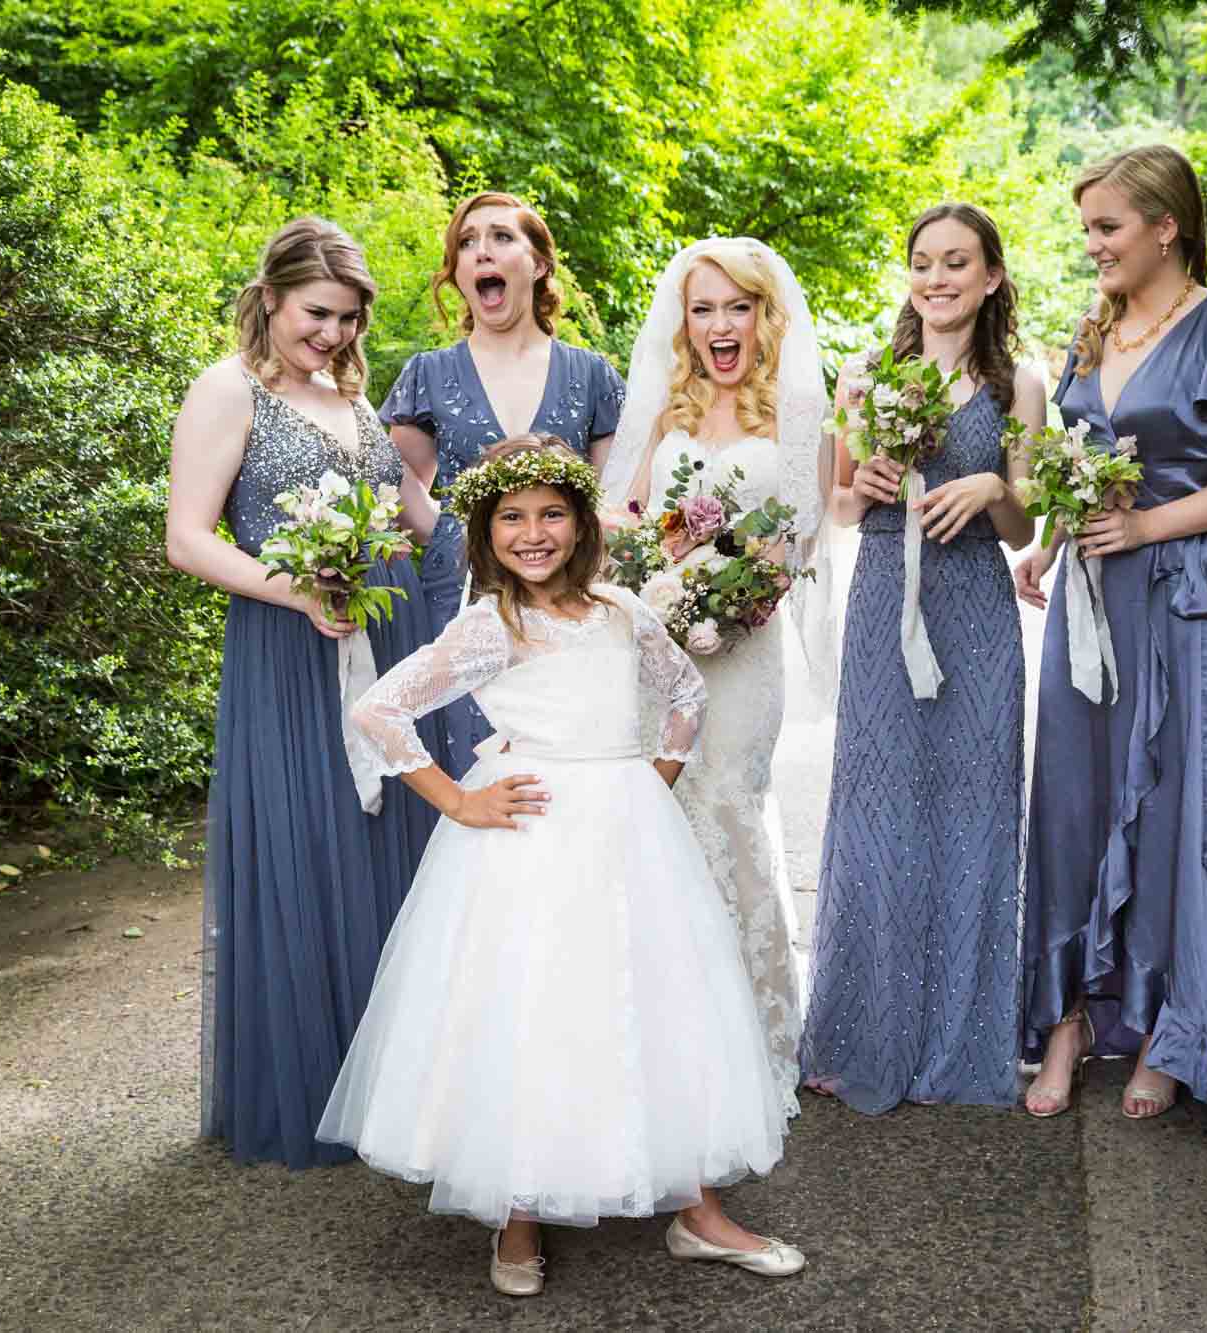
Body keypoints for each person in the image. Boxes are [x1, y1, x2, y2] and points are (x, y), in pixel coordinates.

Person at [318, 438, 804, 1296]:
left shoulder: (622, 611)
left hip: (627, 833)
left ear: (581, 523)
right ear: (485, 530)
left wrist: (649, 780)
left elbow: (685, 696)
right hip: (531, 841)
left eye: (551, 514)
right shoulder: (489, 624)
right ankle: (520, 1210)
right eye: (512, 516)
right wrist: (461, 801)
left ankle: (697, 1208)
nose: (533, 533)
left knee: (657, 998)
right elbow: (380, 706)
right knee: (531, 1004)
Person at [1016, 144, 1207, 1122]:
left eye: (1106, 227)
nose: (1090, 245)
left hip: (1177, 595)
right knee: (1069, 800)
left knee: (1178, 808)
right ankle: (1067, 1020)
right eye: (1086, 227)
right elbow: (1073, 459)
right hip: (1087, 600)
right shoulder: (1089, 334)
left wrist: (1144, 525)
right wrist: (1048, 545)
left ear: (1164, 226)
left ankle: (1172, 1029)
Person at [164, 216, 446, 1168]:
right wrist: (301, 590)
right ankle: (314, 1081)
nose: (331, 335)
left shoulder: (355, 403)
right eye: (318, 315)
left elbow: (423, 525)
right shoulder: (226, 390)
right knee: (306, 840)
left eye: (348, 320)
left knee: (385, 848)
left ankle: (396, 1082)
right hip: (292, 646)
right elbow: (189, 537)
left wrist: (546, 525)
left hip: (388, 634)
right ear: (273, 297)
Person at [798, 203, 1044, 1113]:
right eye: (922, 263)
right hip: (881, 608)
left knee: (975, 805)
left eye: (956, 263)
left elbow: (1026, 525)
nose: (936, 279)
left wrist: (990, 487)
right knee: (875, 805)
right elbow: (840, 507)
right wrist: (857, 482)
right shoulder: (866, 373)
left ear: (990, 277)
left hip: (975, 606)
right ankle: (864, 1030)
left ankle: (962, 1039)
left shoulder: (1020, 383)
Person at [601, 237, 832, 1119]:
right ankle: (659, 1036)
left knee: (728, 809)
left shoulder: (799, 410)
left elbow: (803, 540)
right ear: (683, 320)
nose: (719, 325)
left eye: (738, 307)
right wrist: (648, 577)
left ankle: (750, 1040)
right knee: (659, 823)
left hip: (743, 654)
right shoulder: (665, 409)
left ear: (765, 317)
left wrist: (741, 587)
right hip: (658, 655)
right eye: (703, 308)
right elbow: (622, 525)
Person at [380, 191, 625, 776]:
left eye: (500, 237)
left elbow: (612, 500)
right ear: (459, 274)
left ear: (538, 264)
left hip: (562, 598)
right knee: (469, 764)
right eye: (467, 243)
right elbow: (397, 489)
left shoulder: (592, 375)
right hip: (459, 592)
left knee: (557, 760)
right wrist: (451, 532)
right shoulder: (428, 374)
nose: (481, 251)